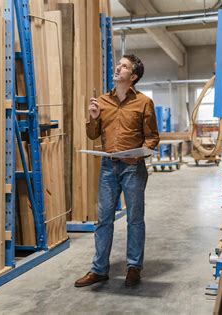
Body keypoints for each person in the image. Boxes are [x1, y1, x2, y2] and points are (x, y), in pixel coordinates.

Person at [74, 54, 160, 288]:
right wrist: (92, 118)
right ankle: (99, 269)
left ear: (132, 77)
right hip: (108, 167)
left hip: (133, 168)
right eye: (118, 65)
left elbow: (152, 138)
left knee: (134, 219)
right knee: (103, 220)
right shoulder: (102, 101)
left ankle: (134, 267)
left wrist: (140, 152)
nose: (117, 68)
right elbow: (93, 135)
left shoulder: (144, 102)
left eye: (123, 67)